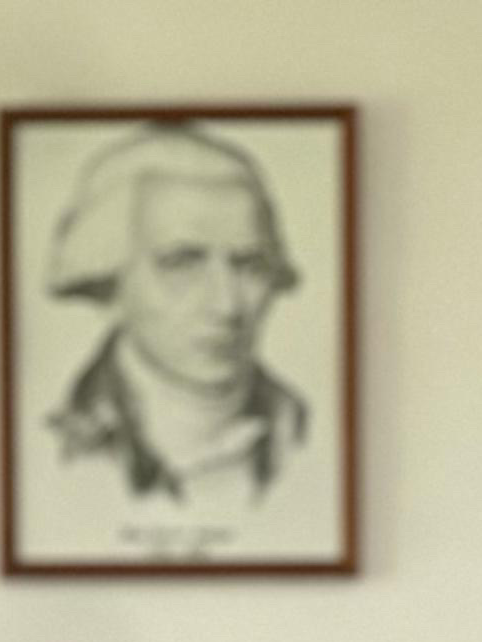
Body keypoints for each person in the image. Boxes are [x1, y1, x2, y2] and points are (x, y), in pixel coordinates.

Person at [39, 126, 312, 512]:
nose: (227, 305)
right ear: (109, 280)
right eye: (182, 263)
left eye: (250, 266)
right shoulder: (49, 443)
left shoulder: (306, 433)